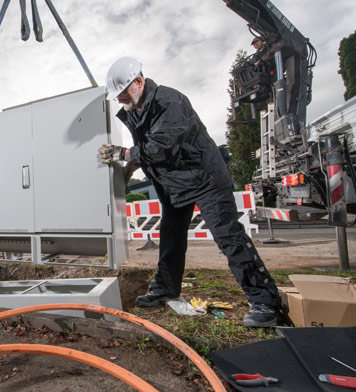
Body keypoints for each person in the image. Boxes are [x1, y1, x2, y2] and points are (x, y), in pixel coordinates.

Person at [99, 57, 280, 327]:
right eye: (118, 96)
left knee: (229, 237)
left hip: (205, 178)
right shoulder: (138, 109)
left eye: (124, 92)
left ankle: (266, 302)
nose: (121, 99)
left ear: (139, 82)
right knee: (170, 237)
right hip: (176, 182)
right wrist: (128, 169)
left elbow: (162, 147)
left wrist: (123, 154)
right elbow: (148, 146)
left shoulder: (170, 101)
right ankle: (165, 287)